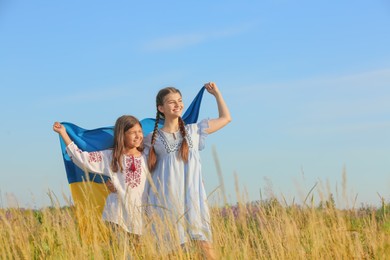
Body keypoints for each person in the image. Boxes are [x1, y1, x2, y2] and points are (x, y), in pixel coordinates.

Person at [145, 82, 231, 259]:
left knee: (204, 245)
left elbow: (225, 118)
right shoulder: (151, 139)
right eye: (172, 102)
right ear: (161, 108)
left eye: (180, 100)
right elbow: (129, 156)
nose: (178, 104)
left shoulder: (194, 130)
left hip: (193, 197)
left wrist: (217, 94)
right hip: (167, 200)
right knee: (172, 249)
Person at [53, 115, 150, 249]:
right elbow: (83, 159)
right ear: (122, 135)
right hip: (117, 216)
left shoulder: (148, 155)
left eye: (140, 131)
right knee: (120, 254)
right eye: (133, 132)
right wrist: (64, 133)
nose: (138, 135)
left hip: (142, 216)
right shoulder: (111, 156)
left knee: (141, 253)